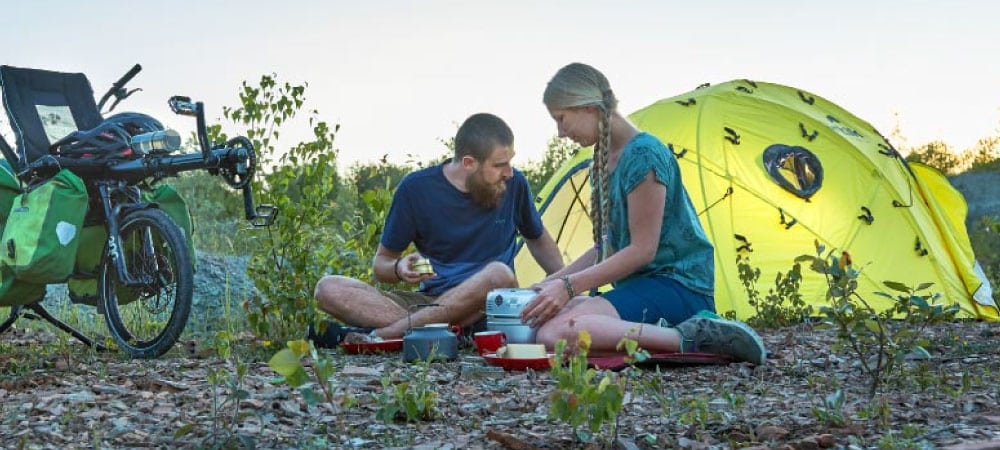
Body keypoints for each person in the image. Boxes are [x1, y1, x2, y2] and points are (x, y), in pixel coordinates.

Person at [520, 63, 766, 364]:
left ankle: (694, 337)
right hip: (643, 287)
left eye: (561, 118)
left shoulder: (643, 155)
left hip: (677, 286)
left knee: (553, 333)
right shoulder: (604, 160)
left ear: (587, 107)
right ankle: (658, 337)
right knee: (545, 321)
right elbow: (610, 245)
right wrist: (549, 284)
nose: (560, 132)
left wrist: (569, 287)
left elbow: (642, 250)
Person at [312, 112, 564, 345]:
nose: (508, 172)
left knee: (499, 274)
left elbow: (537, 238)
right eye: (499, 165)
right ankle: (444, 333)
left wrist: (564, 285)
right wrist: (399, 268)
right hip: (429, 303)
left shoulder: (514, 185)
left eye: (510, 162)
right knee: (328, 288)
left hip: (489, 306)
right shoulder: (416, 189)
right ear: (469, 162)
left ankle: (385, 335)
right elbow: (381, 265)